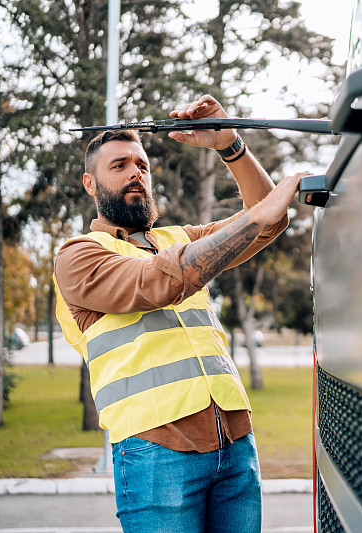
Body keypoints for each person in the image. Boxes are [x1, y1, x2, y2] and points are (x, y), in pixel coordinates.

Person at [53, 94, 308, 532]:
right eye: (119, 166)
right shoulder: (78, 256)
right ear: (90, 185)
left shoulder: (177, 238)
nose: (136, 172)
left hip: (234, 442)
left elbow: (266, 221)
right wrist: (253, 217)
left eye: (142, 165)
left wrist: (231, 145)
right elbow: (155, 281)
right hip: (156, 452)